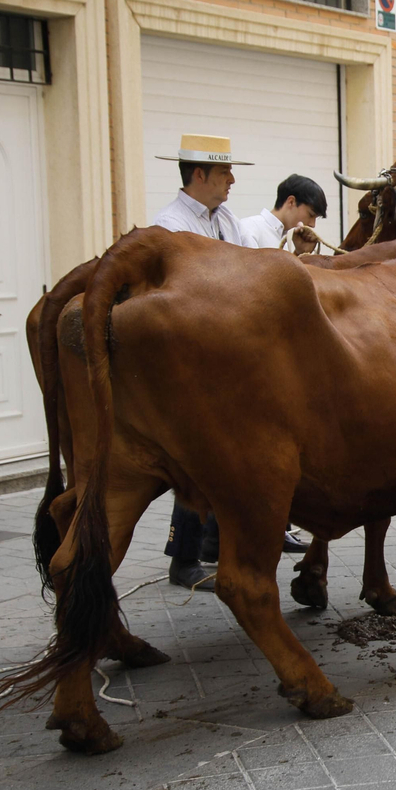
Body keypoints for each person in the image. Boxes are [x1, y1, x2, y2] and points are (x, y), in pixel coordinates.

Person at [151, 135, 254, 590]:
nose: (232, 180)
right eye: (224, 172)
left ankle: (214, 545)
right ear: (199, 175)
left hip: (226, 354)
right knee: (194, 459)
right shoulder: (169, 227)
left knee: (226, 457)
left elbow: (249, 271)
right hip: (190, 360)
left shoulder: (225, 218)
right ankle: (184, 558)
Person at [239, 173, 326, 253]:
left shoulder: (295, 239)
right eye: (310, 215)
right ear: (291, 202)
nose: (313, 224)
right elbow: (252, 270)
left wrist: (300, 253)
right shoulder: (250, 228)